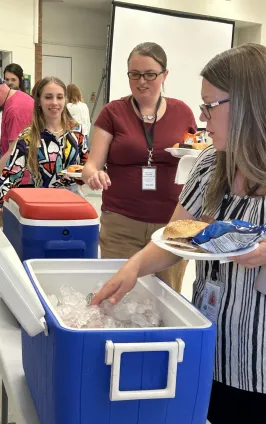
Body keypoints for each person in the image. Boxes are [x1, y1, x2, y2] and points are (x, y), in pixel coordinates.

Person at [92, 43, 266, 424]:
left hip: (262, 359)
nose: (202, 119)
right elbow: (176, 238)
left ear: (248, 104)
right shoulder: (209, 163)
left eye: (209, 106)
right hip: (214, 343)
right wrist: (134, 267)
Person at [82, 42, 197, 292]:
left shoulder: (183, 112)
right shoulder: (113, 112)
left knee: (168, 297)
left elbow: (195, 157)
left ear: (165, 75)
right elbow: (91, 165)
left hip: (172, 224)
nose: (141, 81)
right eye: (134, 74)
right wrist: (94, 175)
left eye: (149, 74)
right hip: (121, 223)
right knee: (119, 296)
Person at [0, 76, 88, 202]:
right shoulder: (27, 137)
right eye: (48, 97)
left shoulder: (77, 131)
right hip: (42, 204)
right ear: (39, 101)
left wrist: (92, 175)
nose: (55, 102)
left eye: (59, 97)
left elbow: (86, 164)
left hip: (74, 203)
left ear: (65, 100)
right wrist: (3, 202)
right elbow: (11, 174)